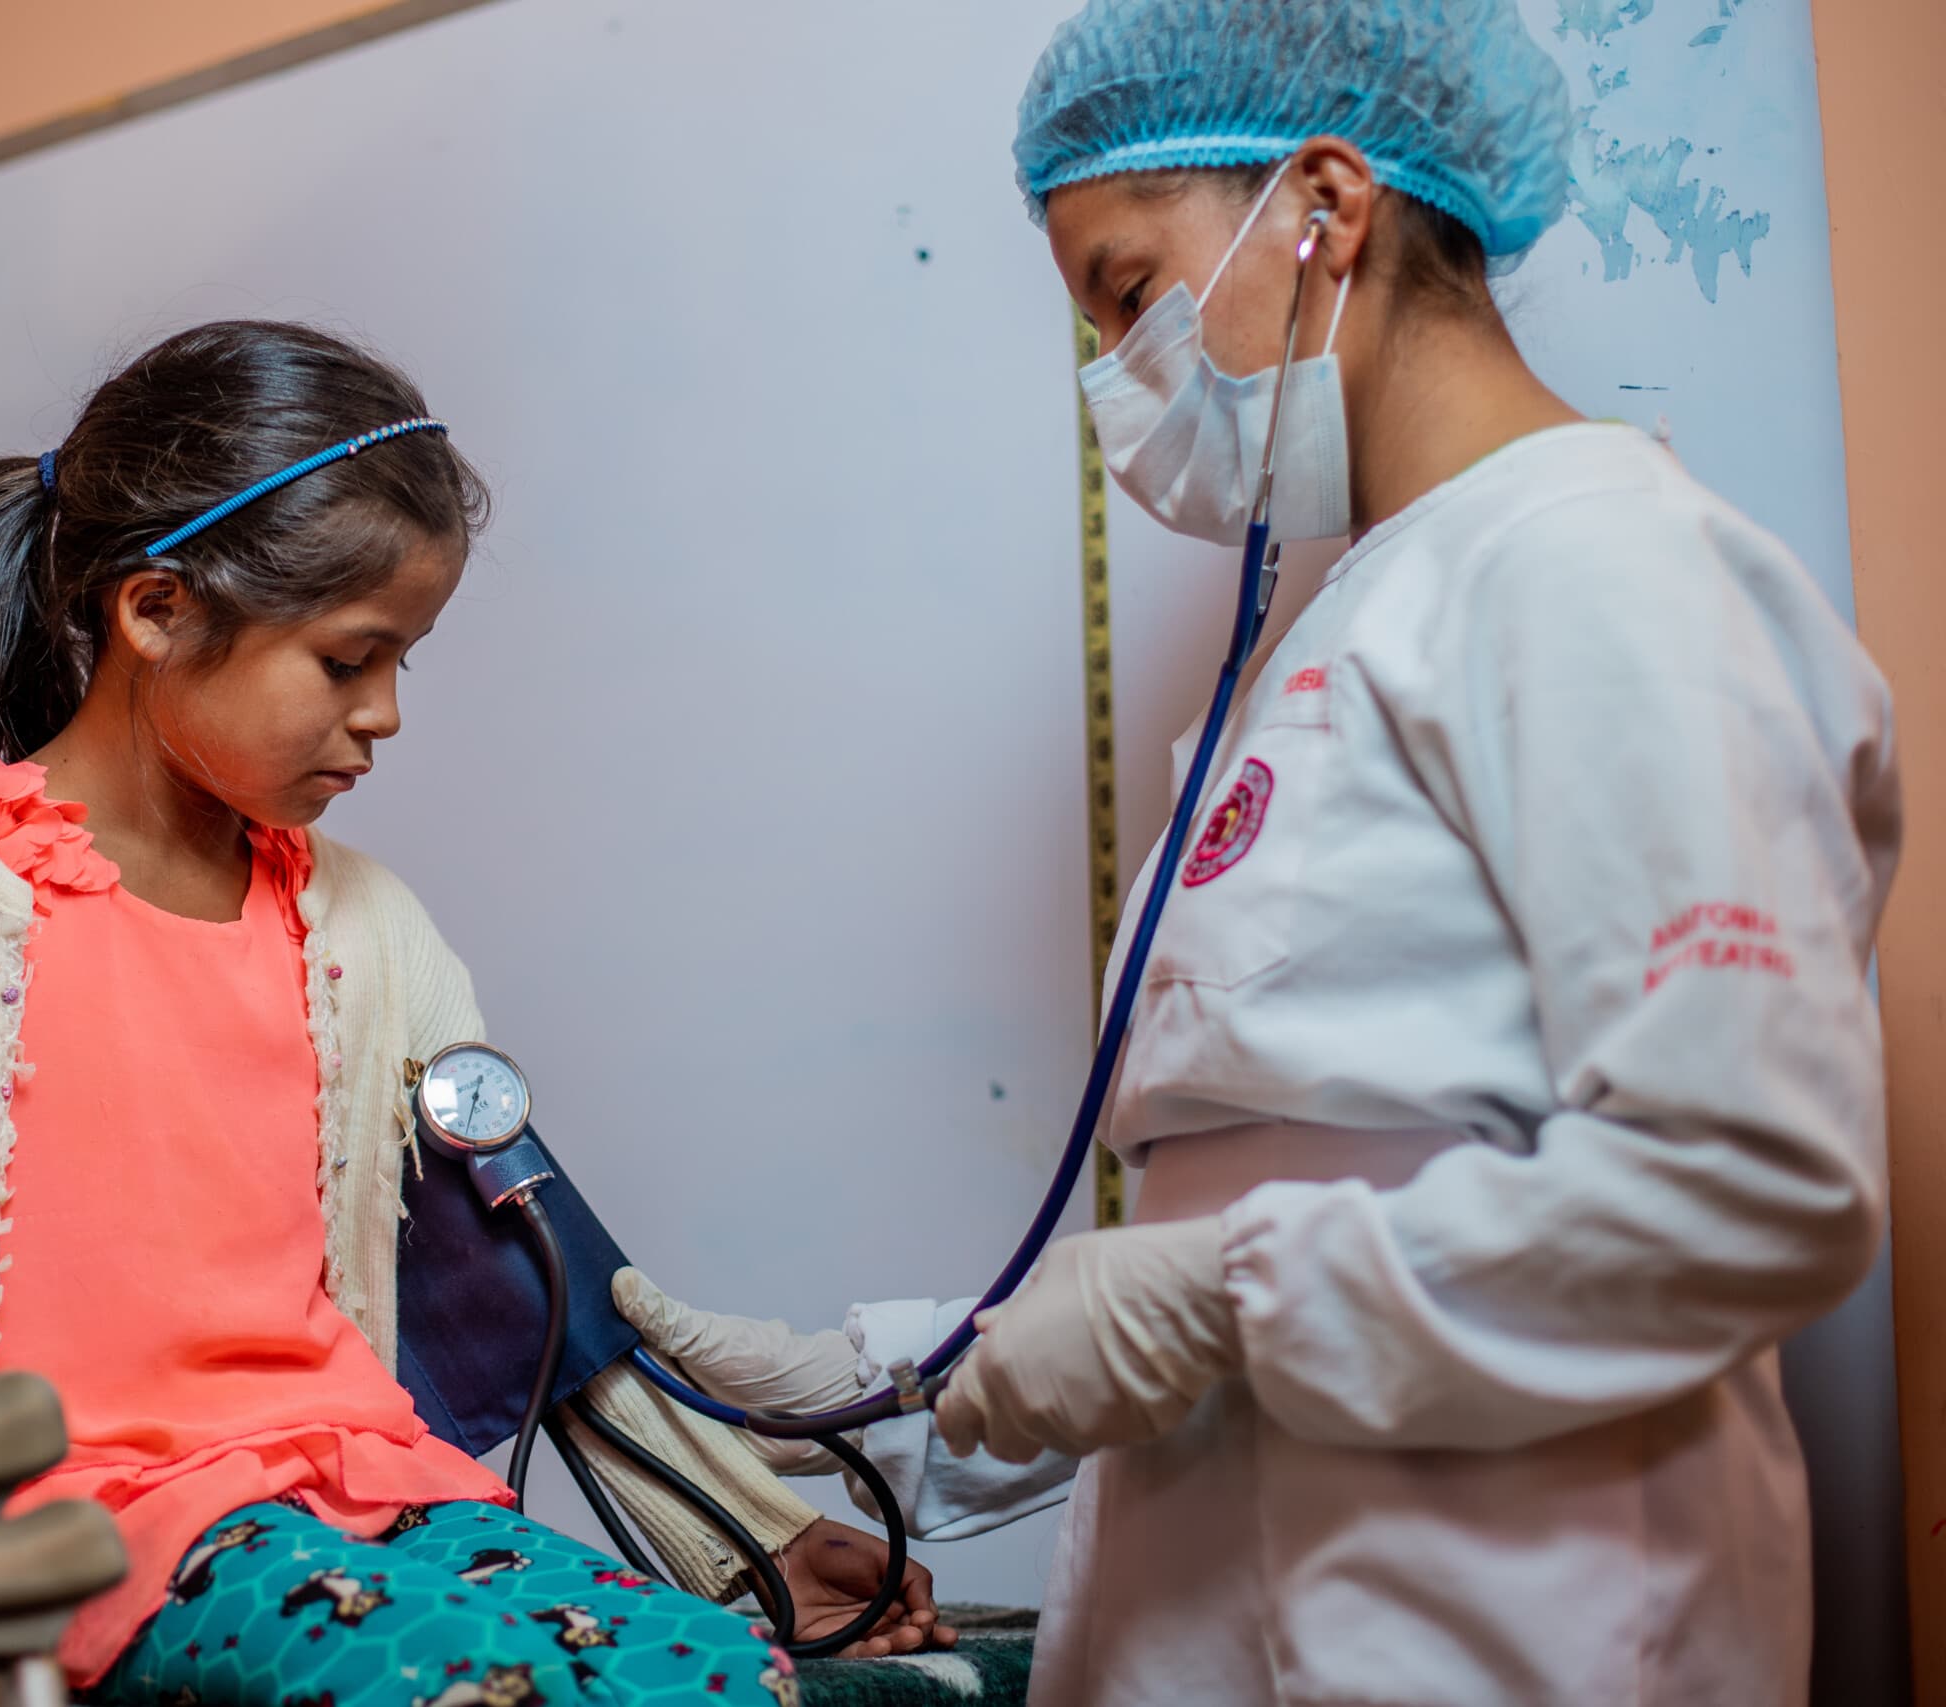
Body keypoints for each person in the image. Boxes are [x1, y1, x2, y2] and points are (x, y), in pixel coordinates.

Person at [614, 2, 1901, 1702]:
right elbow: (1315, 1180)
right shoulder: (1354, 617)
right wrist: (913, 1383)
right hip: (1233, 1617)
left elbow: (1744, 1190)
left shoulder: (1602, 569)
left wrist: (1204, 1298)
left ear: (1326, 206)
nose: (1116, 383)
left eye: (1132, 291)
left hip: (1523, 1632)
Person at [0, 322, 947, 1707]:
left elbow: (523, 1275)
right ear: (157, 610)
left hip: (373, 1490)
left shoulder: (371, 933)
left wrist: (749, 1543)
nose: (389, 715)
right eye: (351, 659)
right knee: (461, 1690)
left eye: (405, 660)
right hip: (75, 1534)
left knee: (713, 1678)